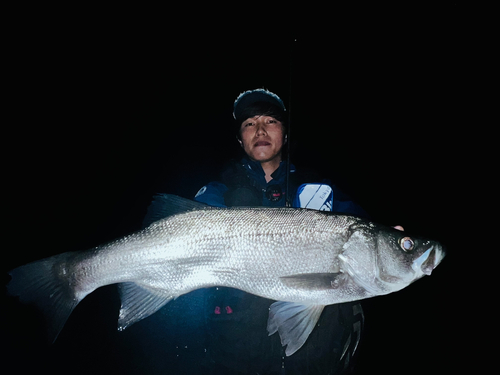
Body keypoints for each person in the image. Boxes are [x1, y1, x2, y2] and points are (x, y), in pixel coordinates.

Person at [190, 88, 367, 374]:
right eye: (249, 124)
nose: (260, 129)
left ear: (285, 133)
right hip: (238, 349)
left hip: (316, 355)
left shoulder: (320, 190)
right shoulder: (216, 193)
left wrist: (393, 240)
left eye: (270, 121)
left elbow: (360, 229)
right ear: (240, 138)